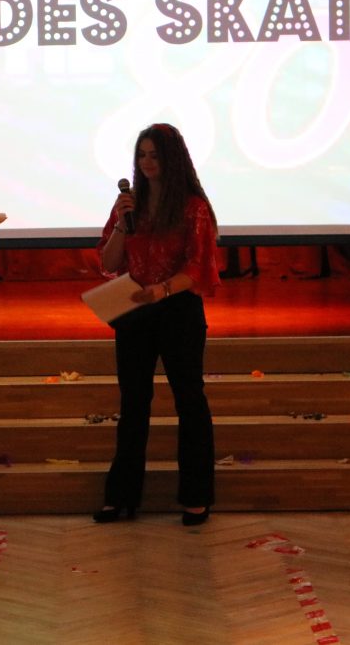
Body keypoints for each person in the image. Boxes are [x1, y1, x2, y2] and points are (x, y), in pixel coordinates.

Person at [93, 123, 221, 527]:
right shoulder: (129, 204)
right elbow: (109, 263)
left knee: (189, 399)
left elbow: (199, 266)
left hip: (178, 308)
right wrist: (120, 223)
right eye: (142, 155)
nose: (147, 163)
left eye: (154, 155)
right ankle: (121, 496)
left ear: (172, 158)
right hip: (134, 309)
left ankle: (196, 497)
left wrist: (162, 290)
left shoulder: (192, 207)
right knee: (133, 402)